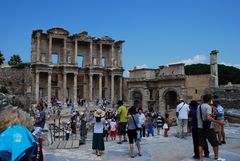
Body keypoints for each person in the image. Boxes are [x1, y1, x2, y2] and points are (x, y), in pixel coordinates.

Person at [197, 94, 224, 161]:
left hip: (200, 127)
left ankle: (201, 158)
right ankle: (216, 157)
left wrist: (211, 114)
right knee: (215, 143)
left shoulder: (199, 107)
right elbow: (208, 118)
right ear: (210, 100)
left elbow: (203, 116)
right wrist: (218, 122)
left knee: (200, 144)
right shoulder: (208, 107)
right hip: (208, 127)